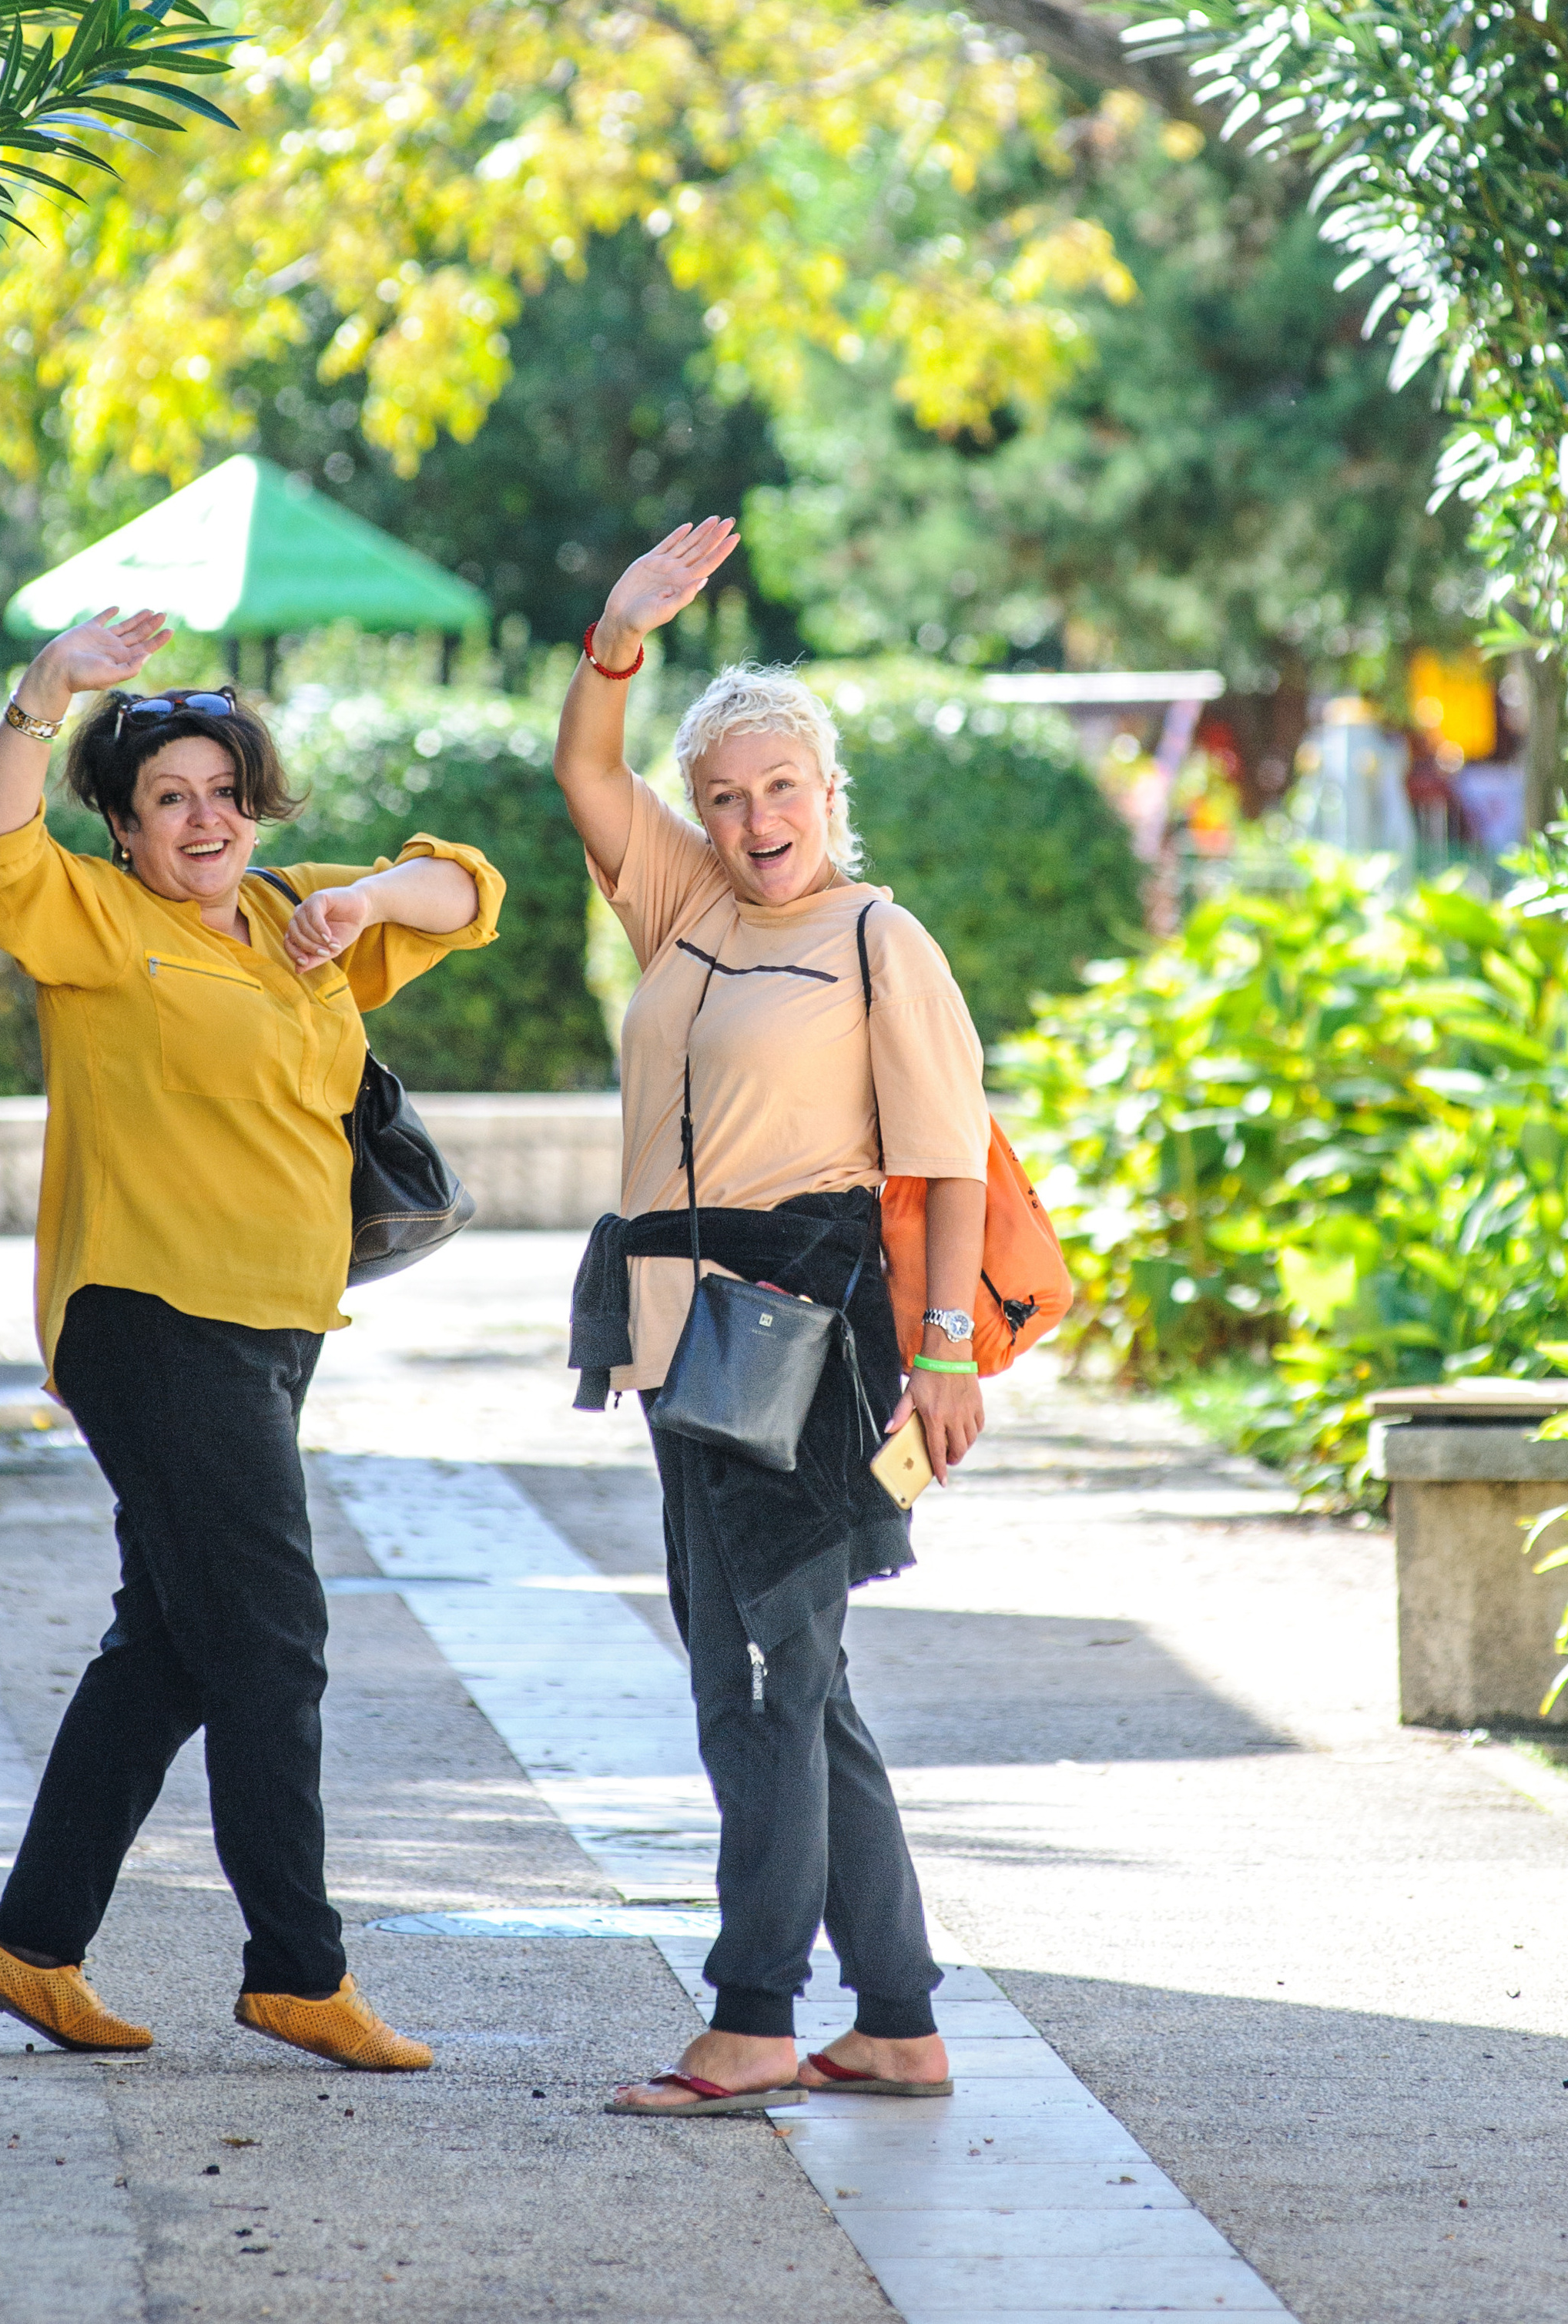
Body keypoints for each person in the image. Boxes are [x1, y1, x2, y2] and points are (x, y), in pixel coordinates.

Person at [0, 606, 504, 2070]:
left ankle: (31, 1947)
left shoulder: (291, 917)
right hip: (153, 1315)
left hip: (272, 1327)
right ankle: (297, 1973)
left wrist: (362, 901)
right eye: (171, 798)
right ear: (124, 828)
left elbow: (469, 889)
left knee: (175, 1648)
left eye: (227, 792)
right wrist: (46, 691)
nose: (206, 819)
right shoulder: (94, 922)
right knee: (272, 1638)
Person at [553, 521, 992, 2116]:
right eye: (725, 795)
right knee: (800, 1676)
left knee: (755, 1680)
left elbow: (945, 1160)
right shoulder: (686, 906)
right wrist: (618, 629)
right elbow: (586, 773)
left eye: (781, 788)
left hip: (802, 1334)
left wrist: (944, 1354)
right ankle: (894, 2020)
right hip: (682, 1335)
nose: (755, 822)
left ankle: (750, 2019)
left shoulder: (877, 938)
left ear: (827, 791)